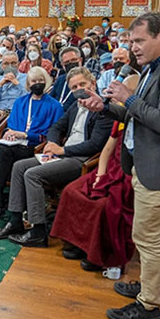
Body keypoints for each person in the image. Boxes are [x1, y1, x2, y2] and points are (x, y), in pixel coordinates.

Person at [78, 12, 160, 319]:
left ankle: (149, 307)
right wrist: (104, 107)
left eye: (140, 41)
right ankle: (146, 286)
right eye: (131, 42)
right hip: (144, 165)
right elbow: (137, 116)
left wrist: (128, 98)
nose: (134, 48)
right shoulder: (151, 68)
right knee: (146, 234)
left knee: (151, 239)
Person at [0, 67, 112, 247]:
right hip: (62, 153)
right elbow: (56, 127)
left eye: (83, 84)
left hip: (81, 160)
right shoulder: (76, 105)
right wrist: (51, 145)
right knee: (19, 166)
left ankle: (38, 231)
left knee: (32, 174)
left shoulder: (103, 109)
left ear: (93, 83)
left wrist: (62, 151)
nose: (79, 89)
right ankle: (16, 220)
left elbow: (95, 145)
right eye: (74, 87)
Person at [51, 74, 141, 272]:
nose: (116, 98)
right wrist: (99, 176)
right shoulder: (121, 119)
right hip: (108, 171)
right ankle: (77, 244)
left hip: (127, 175)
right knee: (71, 191)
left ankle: (97, 255)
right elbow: (107, 150)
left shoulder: (136, 118)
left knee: (104, 206)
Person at [0, 67, 63, 222]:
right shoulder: (21, 101)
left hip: (33, 147)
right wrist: (9, 133)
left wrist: (26, 135)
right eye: (34, 81)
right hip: (13, 145)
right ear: (28, 83)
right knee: (0, 154)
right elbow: (11, 125)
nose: (37, 84)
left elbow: (52, 134)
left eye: (41, 81)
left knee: (0, 155)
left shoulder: (55, 106)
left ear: (46, 82)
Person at [50, 47, 83, 111]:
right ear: (62, 65)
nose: (71, 63)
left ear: (80, 60)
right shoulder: (60, 80)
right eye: (67, 62)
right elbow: (50, 99)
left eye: (74, 60)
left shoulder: (87, 79)